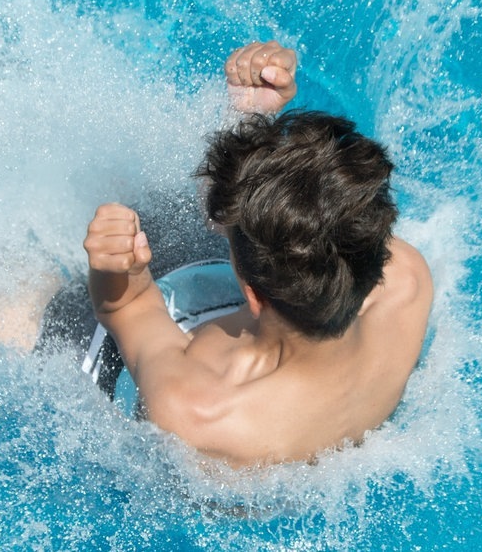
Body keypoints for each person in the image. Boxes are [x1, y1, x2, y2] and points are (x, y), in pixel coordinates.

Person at [83, 41, 433, 467]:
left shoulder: (199, 410)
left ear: (252, 294)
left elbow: (129, 304)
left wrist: (114, 267)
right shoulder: (406, 283)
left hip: (146, 385)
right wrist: (252, 117)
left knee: (5, 303)